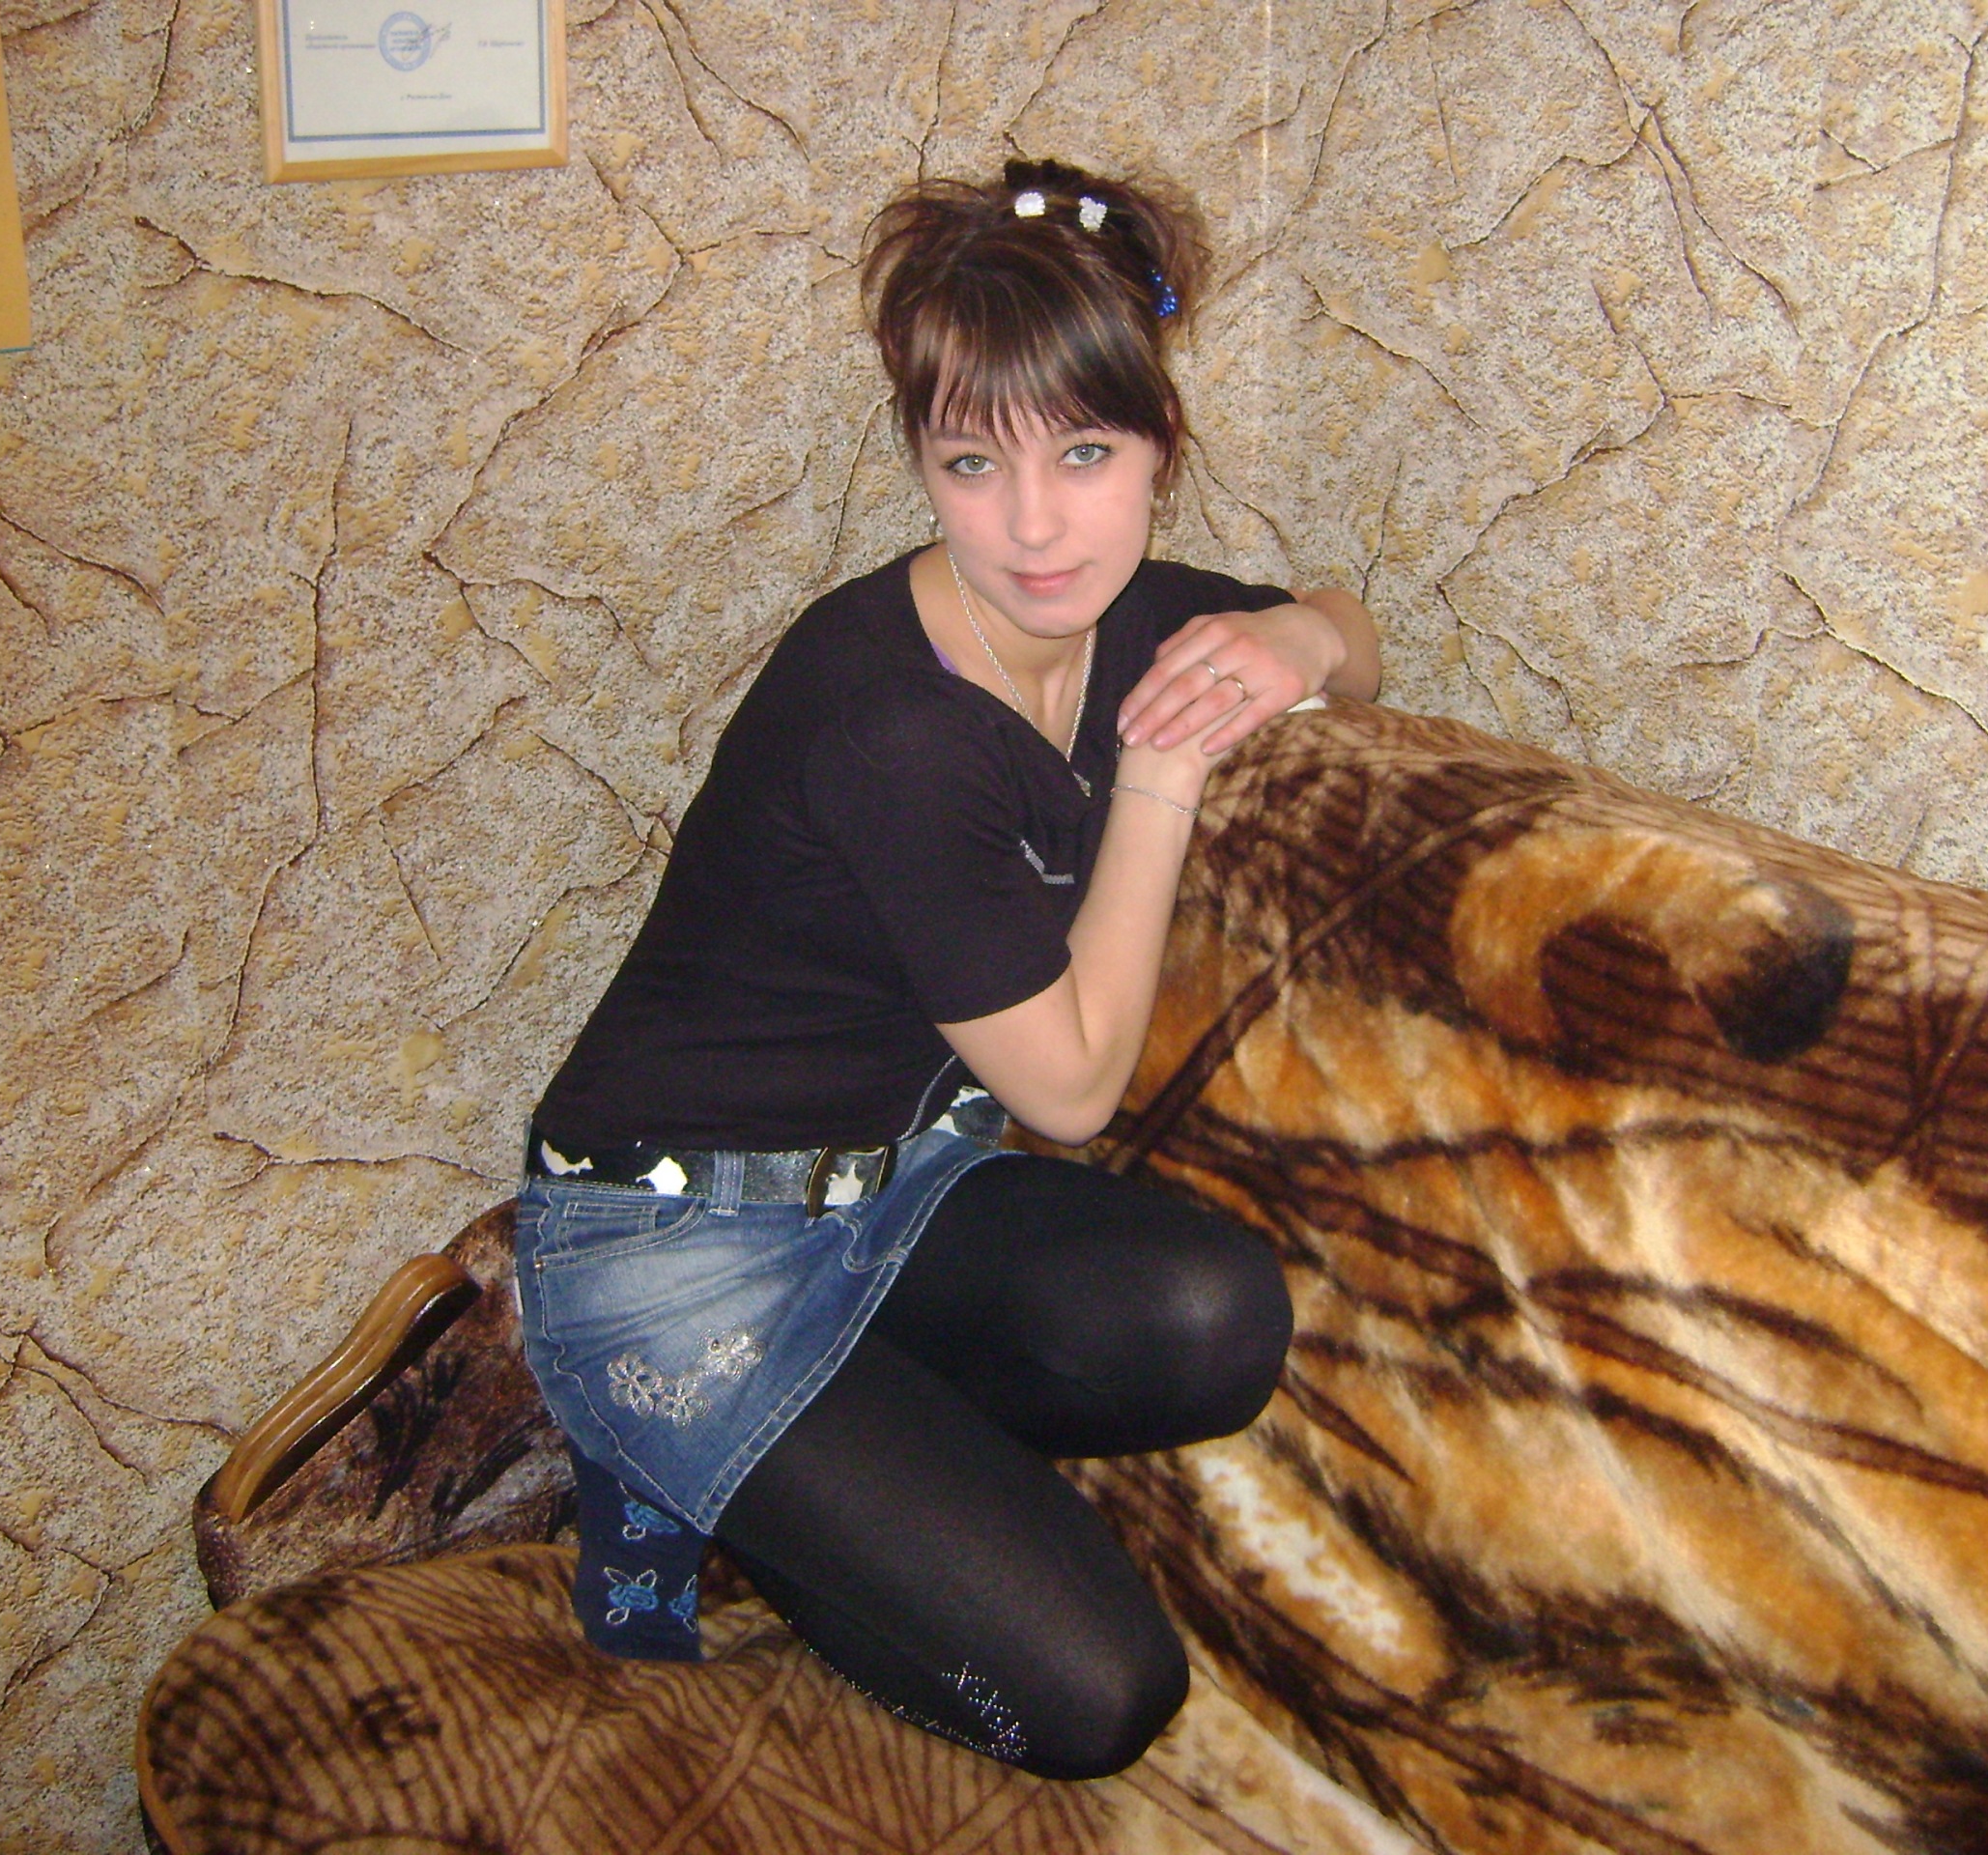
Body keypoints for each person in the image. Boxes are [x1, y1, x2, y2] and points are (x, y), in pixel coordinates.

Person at [513, 157, 1381, 1781]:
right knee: (1098, 1702)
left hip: (898, 1188)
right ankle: (678, 1454)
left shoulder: (1128, 610)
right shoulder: (889, 721)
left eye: (1086, 453)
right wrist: (1162, 778)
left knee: (1217, 1322)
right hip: (669, 1249)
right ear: (920, 457)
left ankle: (812, 1448)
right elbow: (1071, 1090)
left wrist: (1303, 639)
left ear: (1161, 447)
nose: (1035, 524)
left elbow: (1346, 630)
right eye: (972, 462)